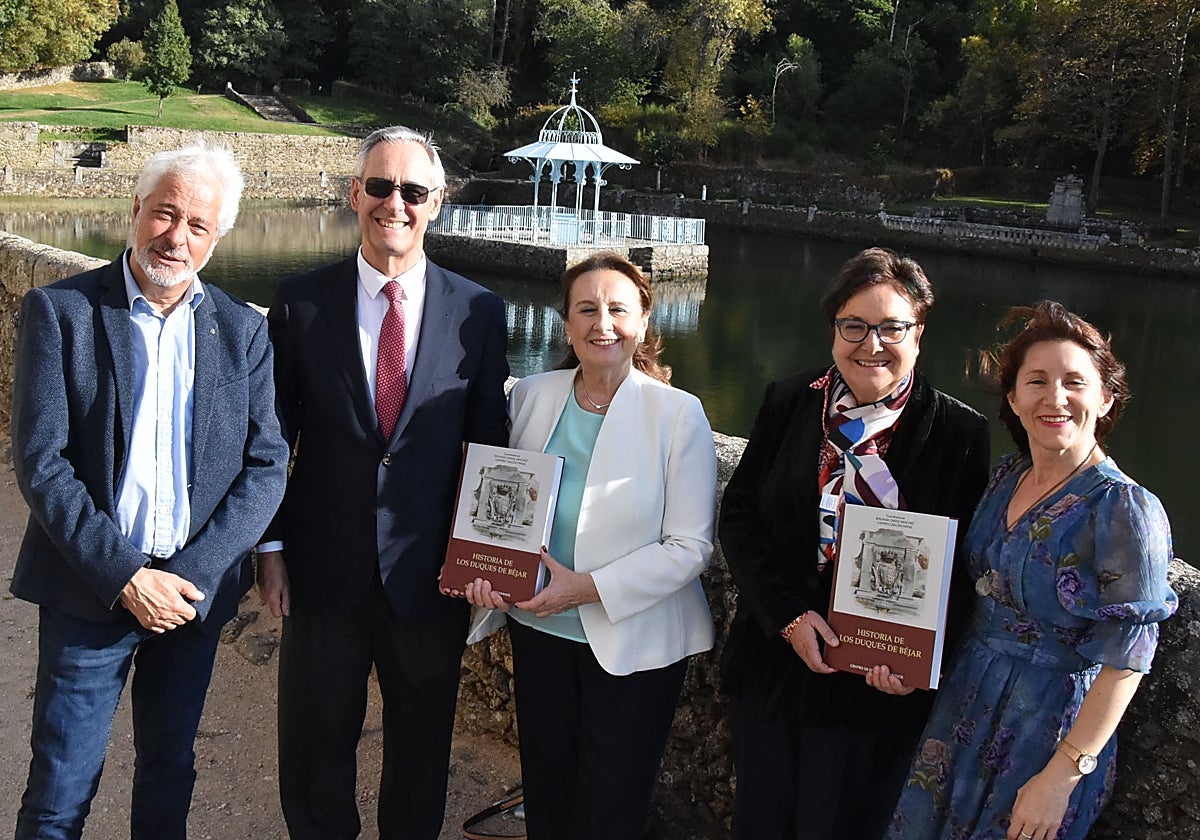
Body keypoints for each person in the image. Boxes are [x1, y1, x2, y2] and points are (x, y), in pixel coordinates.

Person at [9, 145, 289, 839]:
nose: (177, 236)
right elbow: (42, 461)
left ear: (217, 236)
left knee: (169, 770)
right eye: (166, 213)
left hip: (190, 600)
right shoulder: (61, 311)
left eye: (198, 224)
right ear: (135, 210)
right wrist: (127, 575)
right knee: (59, 787)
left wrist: (186, 580)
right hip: (88, 588)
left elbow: (266, 463)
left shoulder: (244, 331)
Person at [255, 125, 510, 839]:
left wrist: (483, 557)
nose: (393, 202)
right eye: (379, 186)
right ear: (353, 194)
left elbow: (487, 444)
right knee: (313, 749)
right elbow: (274, 436)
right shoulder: (301, 301)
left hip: (430, 577)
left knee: (422, 752)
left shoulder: (479, 311)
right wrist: (269, 548)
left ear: (438, 204)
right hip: (320, 568)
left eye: (412, 191)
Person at [719, 246, 991, 840]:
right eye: (854, 326)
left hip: (876, 686)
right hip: (777, 661)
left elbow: (962, 563)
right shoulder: (788, 401)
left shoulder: (958, 432)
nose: (871, 345)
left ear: (919, 332)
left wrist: (913, 659)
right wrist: (788, 615)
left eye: (892, 327)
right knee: (760, 821)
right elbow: (739, 516)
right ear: (833, 330)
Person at [888, 301, 1177, 840]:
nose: (1055, 398)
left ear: (1106, 397)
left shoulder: (1124, 510)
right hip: (963, 704)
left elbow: (1128, 658)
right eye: (1037, 381)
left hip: (1048, 732)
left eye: (1075, 382)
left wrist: (1063, 775)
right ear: (1015, 399)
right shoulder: (1005, 477)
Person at [455, 252, 718, 840]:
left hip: (633, 644)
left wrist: (588, 588)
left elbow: (690, 546)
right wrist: (485, 568)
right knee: (548, 794)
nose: (603, 323)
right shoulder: (530, 394)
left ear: (645, 321)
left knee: (610, 808)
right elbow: (502, 512)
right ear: (566, 324)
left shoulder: (678, 414)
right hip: (539, 632)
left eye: (618, 309)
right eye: (587, 309)